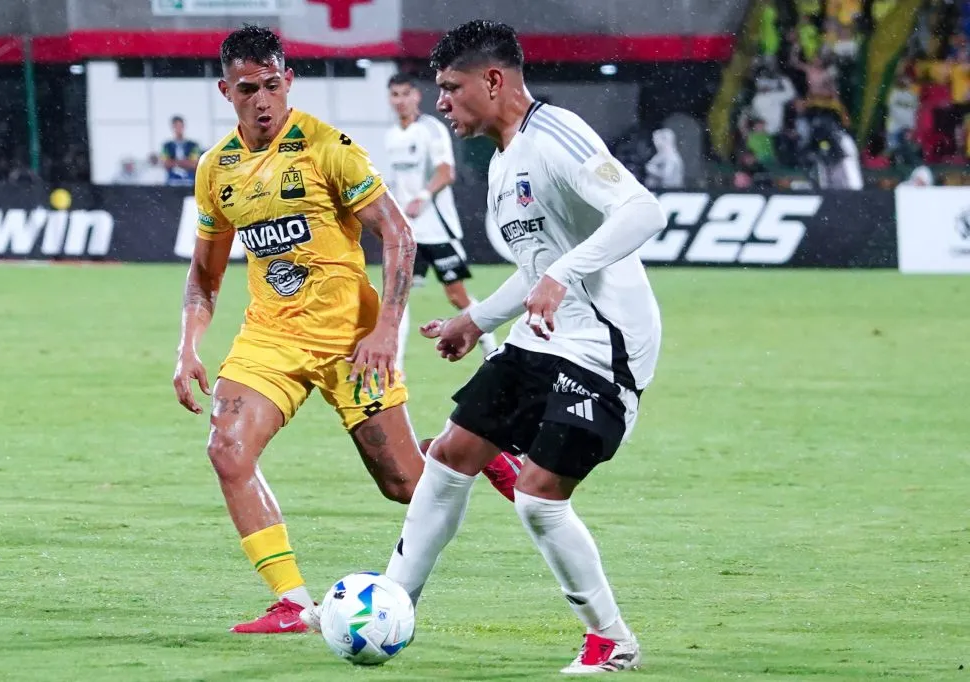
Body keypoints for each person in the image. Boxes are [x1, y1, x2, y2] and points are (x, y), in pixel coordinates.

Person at [306, 20, 666, 674]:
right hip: (546, 336)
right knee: (449, 455)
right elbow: (536, 271)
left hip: (605, 350)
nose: (440, 101)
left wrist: (562, 275)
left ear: (494, 80)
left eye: (451, 88)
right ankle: (391, 606)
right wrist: (473, 320)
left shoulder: (556, 134)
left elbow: (643, 212)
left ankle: (611, 639)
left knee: (536, 496)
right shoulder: (503, 163)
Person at [171, 24, 519, 636]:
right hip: (269, 339)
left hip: (351, 341)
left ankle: (473, 446)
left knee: (408, 488)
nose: (262, 99)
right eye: (248, 87)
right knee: (226, 449)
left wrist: (385, 329)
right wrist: (188, 346)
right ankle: (292, 604)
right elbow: (205, 274)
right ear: (226, 90)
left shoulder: (329, 148)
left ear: (289, 82)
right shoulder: (216, 168)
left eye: (273, 84)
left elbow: (399, 234)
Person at [384, 73, 498, 370]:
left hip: (437, 229)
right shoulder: (391, 136)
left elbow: (446, 173)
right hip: (410, 232)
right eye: (395, 95)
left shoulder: (432, 130)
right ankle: (395, 367)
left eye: (405, 93)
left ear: (416, 96)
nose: (400, 100)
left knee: (456, 295)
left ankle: (491, 347)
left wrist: (422, 196)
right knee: (399, 294)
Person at [161, 115, 202, 187]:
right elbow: (165, 164)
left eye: (180, 126)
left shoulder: (193, 145)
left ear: (184, 127)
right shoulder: (166, 145)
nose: (178, 129)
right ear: (172, 128)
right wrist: (185, 162)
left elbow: (194, 164)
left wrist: (174, 162)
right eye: (176, 126)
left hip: (189, 182)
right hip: (172, 182)